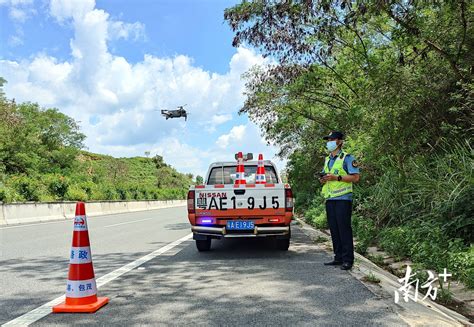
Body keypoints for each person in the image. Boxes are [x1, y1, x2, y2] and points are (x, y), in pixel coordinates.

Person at [319, 131, 360, 270]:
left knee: (344, 229)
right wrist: (323, 179)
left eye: (332, 139)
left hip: (343, 199)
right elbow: (327, 178)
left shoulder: (347, 158)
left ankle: (348, 260)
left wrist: (337, 178)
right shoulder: (327, 159)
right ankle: (338, 257)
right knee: (334, 229)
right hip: (330, 198)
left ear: (340, 142)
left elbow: (355, 177)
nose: (329, 142)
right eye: (328, 139)